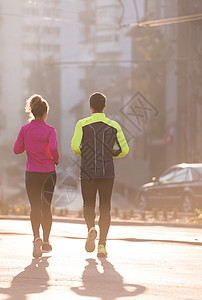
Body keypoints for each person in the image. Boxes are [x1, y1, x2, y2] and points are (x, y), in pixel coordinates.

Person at [71, 92, 129, 258]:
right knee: (105, 208)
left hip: (88, 171)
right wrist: (111, 154)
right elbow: (125, 150)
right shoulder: (114, 125)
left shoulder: (82, 124)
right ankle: (102, 246)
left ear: (90, 107)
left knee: (88, 204)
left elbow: (75, 147)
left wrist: (86, 154)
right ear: (105, 107)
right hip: (107, 172)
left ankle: (91, 228)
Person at [14, 94, 59, 258]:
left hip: (31, 172)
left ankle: (36, 238)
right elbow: (53, 148)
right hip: (48, 173)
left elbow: (16, 149)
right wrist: (56, 159)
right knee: (46, 206)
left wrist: (29, 144)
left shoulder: (25, 130)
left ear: (32, 112)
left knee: (35, 207)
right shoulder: (50, 130)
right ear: (45, 113)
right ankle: (46, 242)